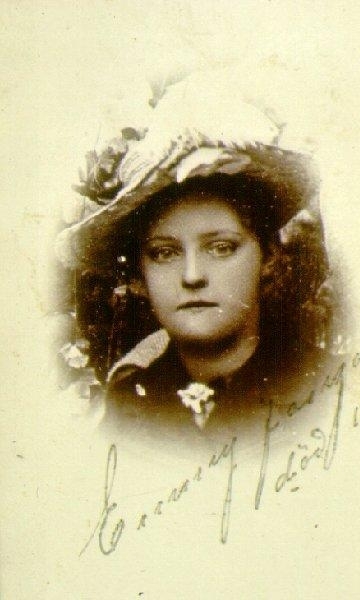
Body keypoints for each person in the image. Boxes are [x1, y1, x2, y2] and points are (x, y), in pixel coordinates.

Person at [56, 84, 338, 437]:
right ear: (138, 276)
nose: (192, 276)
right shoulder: (128, 403)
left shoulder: (326, 390)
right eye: (164, 253)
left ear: (269, 255)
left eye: (221, 248)